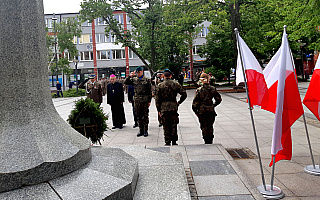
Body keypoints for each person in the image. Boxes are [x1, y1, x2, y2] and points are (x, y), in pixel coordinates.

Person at [155, 69, 187, 146]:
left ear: (163, 76)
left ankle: (167, 141)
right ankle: (174, 141)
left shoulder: (160, 85)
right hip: (173, 106)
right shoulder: (175, 84)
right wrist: (179, 102)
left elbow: (157, 99)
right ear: (171, 75)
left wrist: (158, 109)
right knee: (173, 124)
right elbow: (184, 94)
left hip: (164, 107)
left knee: (166, 124)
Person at [192, 73, 222, 144]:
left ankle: (206, 140)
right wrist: (213, 105)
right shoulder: (212, 89)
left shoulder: (199, 90)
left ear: (201, 80)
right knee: (210, 126)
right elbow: (219, 99)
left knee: (204, 126)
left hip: (202, 111)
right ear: (208, 79)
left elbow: (195, 103)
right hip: (211, 111)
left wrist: (196, 111)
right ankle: (210, 140)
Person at [124, 67, 152, 137]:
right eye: (137, 72)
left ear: (142, 71)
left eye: (139, 72)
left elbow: (149, 91)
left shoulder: (147, 80)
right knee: (138, 115)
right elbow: (126, 82)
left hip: (144, 99)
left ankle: (145, 130)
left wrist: (149, 101)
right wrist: (130, 76)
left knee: (145, 115)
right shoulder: (134, 79)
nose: (138, 73)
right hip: (137, 99)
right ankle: (141, 130)